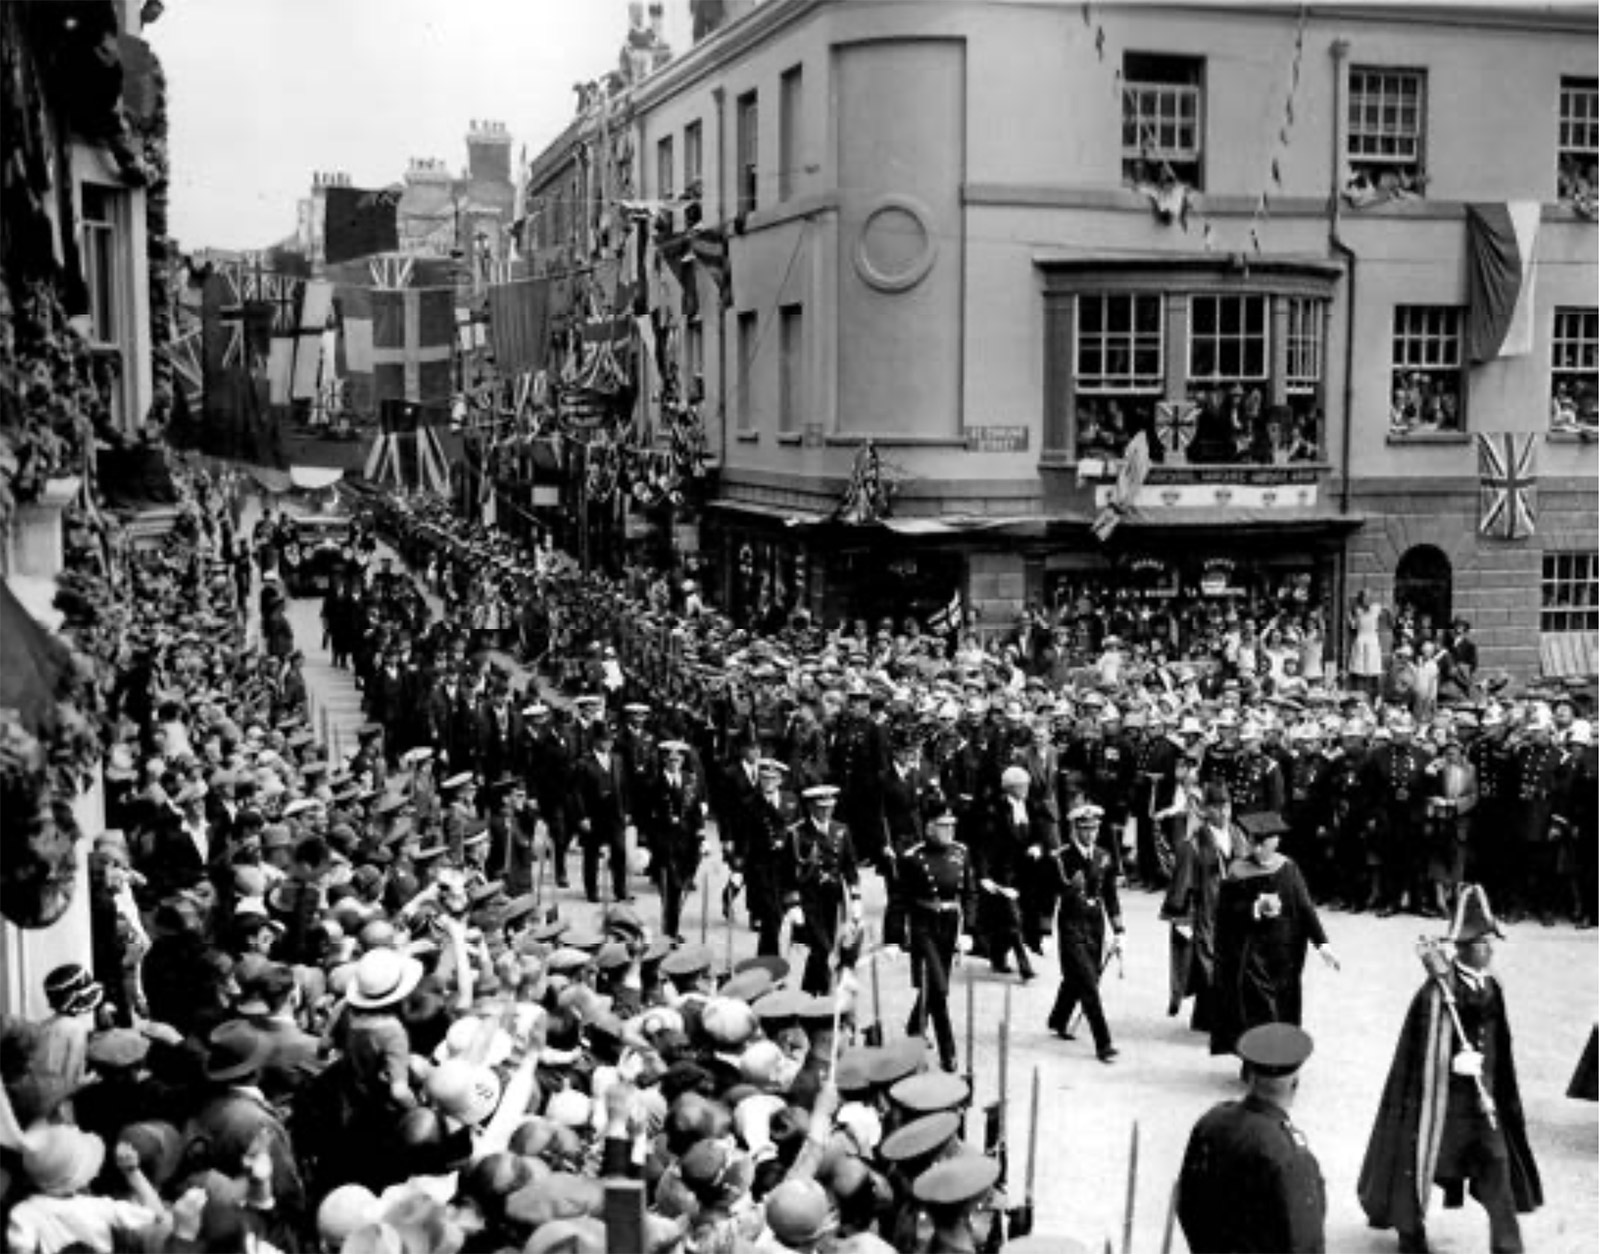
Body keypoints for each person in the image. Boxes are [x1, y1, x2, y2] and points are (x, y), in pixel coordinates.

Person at [1357, 885, 1543, 1254]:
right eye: (1481, 943)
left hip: (1483, 1102)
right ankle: (1410, 1233)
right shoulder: (1436, 994)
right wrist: (1452, 1062)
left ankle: (1508, 1247)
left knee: (1497, 1165)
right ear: (1459, 948)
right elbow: (1419, 1054)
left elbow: (1501, 1047)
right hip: (1441, 1107)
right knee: (1421, 1164)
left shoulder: (1493, 986)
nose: (1489, 949)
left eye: (1491, 941)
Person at [1176, 1023, 1327, 1253]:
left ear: (1249, 1077)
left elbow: (1185, 1201)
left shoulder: (1211, 1122)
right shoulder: (1289, 1154)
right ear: (1295, 1083)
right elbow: (1305, 1241)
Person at [1209, 813, 1339, 1059]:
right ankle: (1258, 1067)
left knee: (1284, 1010)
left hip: (1284, 956)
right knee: (1260, 1012)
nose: (1256, 848)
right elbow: (1225, 912)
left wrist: (1322, 944)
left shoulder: (1288, 869)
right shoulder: (1238, 871)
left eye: (1262, 843)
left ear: (1275, 842)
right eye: (1253, 842)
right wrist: (1253, 907)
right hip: (1251, 955)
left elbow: (1304, 908)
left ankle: (1281, 1067)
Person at [893, 802, 977, 1073]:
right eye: (943, 826)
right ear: (929, 828)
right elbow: (899, 900)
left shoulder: (961, 853)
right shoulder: (912, 858)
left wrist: (968, 931)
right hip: (923, 925)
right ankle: (948, 1052)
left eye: (952, 825)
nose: (950, 830)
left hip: (949, 926)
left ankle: (913, 1028)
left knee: (932, 986)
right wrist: (893, 938)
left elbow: (970, 894)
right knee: (939, 989)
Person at [1046, 802, 1124, 1063]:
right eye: (1085, 829)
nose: (1090, 834)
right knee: (1088, 983)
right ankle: (1104, 1042)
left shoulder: (1103, 856)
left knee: (1078, 976)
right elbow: (1051, 893)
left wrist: (1119, 930)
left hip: (1095, 922)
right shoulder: (1061, 857)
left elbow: (1111, 896)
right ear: (1075, 829)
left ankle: (1058, 1018)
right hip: (1071, 921)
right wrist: (1044, 930)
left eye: (1094, 829)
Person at [782, 785, 863, 995]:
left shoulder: (841, 830)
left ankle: (810, 993)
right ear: (810, 807)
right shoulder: (797, 834)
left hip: (833, 899)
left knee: (821, 951)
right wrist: (793, 905)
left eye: (829, 808)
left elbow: (850, 868)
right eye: (820, 808)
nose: (826, 812)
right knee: (823, 948)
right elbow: (786, 874)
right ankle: (823, 993)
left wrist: (855, 899)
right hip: (809, 899)